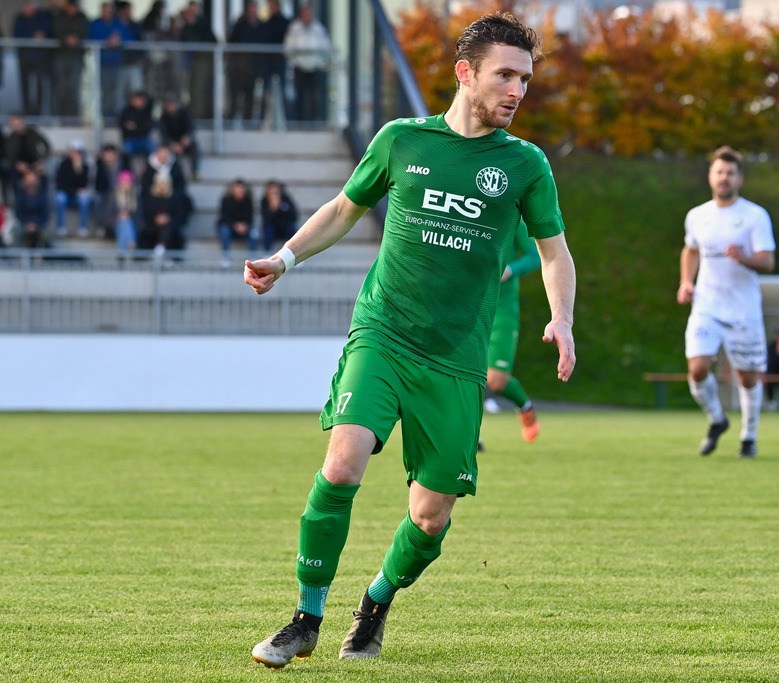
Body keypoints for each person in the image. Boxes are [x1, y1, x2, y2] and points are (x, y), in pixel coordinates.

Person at [245, 12, 575, 669]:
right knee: (342, 464)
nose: (518, 90)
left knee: (430, 517)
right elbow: (345, 208)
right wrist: (284, 259)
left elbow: (554, 252)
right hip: (384, 333)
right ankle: (305, 618)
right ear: (465, 73)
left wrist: (561, 317)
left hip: (456, 358)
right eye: (505, 76)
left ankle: (374, 603)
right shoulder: (401, 140)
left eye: (525, 79)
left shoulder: (525, 164)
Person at [677, 146, 775, 458]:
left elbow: (768, 261)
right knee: (697, 368)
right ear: (710, 177)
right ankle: (717, 419)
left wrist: (744, 258)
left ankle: (749, 437)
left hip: (743, 309)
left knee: (747, 376)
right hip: (707, 305)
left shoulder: (755, 216)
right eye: (719, 172)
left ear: (740, 179)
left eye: (730, 173)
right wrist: (686, 282)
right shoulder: (697, 216)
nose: (724, 178)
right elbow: (691, 249)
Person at [483, 220, 543, 444]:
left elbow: (535, 256)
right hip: (468, 305)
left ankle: (525, 407)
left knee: (495, 380)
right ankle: (469, 435)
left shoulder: (513, 218)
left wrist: (510, 270)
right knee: (462, 372)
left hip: (502, 309)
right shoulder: (465, 211)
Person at [284, 4, 331, 123]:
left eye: (308, 14)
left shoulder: (318, 29)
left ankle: (313, 120)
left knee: (314, 96)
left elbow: (325, 48)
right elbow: (288, 47)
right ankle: (300, 121)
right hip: (299, 67)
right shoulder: (295, 28)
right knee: (299, 95)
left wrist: (320, 63)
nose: (307, 17)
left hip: (314, 68)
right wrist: (295, 61)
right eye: (305, 14)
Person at [87, 1, 133, 118]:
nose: (107, 13)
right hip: (103, 63)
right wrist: (106, 41)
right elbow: (92, 37)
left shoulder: (118, 23)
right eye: (105, 10)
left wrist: (119, 40)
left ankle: (117, 116)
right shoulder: (96, 24)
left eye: (109, 10)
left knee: (118, 91)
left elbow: (129, 38)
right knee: (106, 91)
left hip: (117, 63)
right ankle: (107, 117)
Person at [12, 0, 53, 117]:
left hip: (39, 57)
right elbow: (16, 34)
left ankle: (38, 112)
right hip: (24, 57)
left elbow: (47, 30)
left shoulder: (41, 18)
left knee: (39, 85)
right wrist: (32, 36)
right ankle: (26, 112)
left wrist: (41, 35)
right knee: (25, 86)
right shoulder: (19, 19)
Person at [227, 1, 265, 125]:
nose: (252, 12)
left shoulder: (261, 26)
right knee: (235, 96)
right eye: (250, 9)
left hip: (253, 69)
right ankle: (231, 122)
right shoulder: (240, 26)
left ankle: (248, 122)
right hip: (239, 69)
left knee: (250, 97)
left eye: (254, 9)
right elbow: (232, 44)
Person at [177, 0, 216, 120]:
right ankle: (195, 114)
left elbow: (209, 40)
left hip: (203, 60)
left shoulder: (203, 24)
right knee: (192, 88)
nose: (192, 13)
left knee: (200, 88)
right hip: (190, 61)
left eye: (194, 10)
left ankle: (200, 115)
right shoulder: (186, 26)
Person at [52, 0, 90, 118]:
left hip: (76, 56)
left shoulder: (82, 18)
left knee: (74, 88)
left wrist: (76, 39)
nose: (72, 9)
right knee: (61, 87)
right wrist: (65, 39)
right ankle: (61, 116)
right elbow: (55, 31)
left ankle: (73, 116)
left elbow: (85, 32)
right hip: (61, 56)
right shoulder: (59, 17)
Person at [54, 140, 92, 238]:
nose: (76, 155)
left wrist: (78, 170)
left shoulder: (85, 167)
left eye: (79, 153)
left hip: (77, 197)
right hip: (66, 195)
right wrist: (75, 191)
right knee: (60, 198)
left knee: (85, 199)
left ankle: (83, 228)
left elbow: (84, 185)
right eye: (74, 152)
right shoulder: (63, 165)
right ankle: (61, 228)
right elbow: (60, 184)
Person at [217, 178, 255, 266]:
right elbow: (224, 217)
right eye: (238, 188)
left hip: (244, 226)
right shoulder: (226, 200)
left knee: (254, 233)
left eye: (242, 188)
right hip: (229, 226)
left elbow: (250, 217)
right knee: (224, 231)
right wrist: (235, 225)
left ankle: (253, 256)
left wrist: (244, 225)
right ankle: (225, 257)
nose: (240, 190)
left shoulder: (248, 201)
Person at [158, 95, 198, 179]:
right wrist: (172, 144)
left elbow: (191, 127)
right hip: (171, 142)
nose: (171, 107)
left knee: (194, 147)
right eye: (169, 105)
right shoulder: (163, 117)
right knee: (166, 151)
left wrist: (188, 137)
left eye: (173, 104)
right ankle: (173, 173)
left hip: (184, 141)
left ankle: (195, 172)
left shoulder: (185, 113)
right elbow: (164, 134)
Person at [5, 112, 51, 180]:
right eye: (13, 124)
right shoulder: (10, 138)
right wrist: (16, 164)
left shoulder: (31, 133)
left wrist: (41, 161)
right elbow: (8, 155)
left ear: (22, 122)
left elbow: (46, 146)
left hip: (35, 163)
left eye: (17, 123)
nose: (16, 126)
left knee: (44, 175)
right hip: (19, 167)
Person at [14, 168, 50, 248]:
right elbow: (18, 213)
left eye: (33, 181)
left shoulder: (42, 195)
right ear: (25, 181)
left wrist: (36, 224)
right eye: (28, 181)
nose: (31, 183)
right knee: (16, 230)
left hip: (39, 223)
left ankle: (48, 254)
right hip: (24, 224)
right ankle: (16, 254)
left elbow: (45, 213)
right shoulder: (20, 195)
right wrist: (27, 224)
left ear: (37, 181)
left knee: (48, 232)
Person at [119, 91, 155, 171]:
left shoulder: (146, 111)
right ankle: (126, 172)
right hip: (130, 139)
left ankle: (151, 170)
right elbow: (123, 127)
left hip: (143, 139)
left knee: (152, 148)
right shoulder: (126, 111)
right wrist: (137, 128)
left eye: (141, 100)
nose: (139, 102)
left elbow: (147, 128)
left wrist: (135, 127)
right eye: (137, 99)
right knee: (126, 150)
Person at [259, 180, 297, 253]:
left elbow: (293, 216)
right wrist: (273, 209)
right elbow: (266, 219)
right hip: (273, 228)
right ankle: (267, 253)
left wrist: (280, 207)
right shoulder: (264, 201)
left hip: (284, 227)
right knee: (268, 229)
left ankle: (294, 252)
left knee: (291, 229)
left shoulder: (285, 199)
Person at [93, 143, 121, 238]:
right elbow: (98, 185)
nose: (107, 157)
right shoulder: (100, 166)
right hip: (105, 192)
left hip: (121, 191)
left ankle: (112, 227)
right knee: (99, 199)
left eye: (110, 154)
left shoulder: (123, 165)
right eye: (105, 154)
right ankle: (102, 226)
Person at [114, 169, 138, 256]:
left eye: (128, 183)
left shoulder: (136, 198)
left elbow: (138, 216)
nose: (126, 185)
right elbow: (107, 215)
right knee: (124, 221)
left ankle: (121, 251)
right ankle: (131, 242)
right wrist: (119, 215)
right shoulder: (113, 197)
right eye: (124, 182)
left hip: (132, 224)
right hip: (115, 224)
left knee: (126, 221)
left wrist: (128, 214)